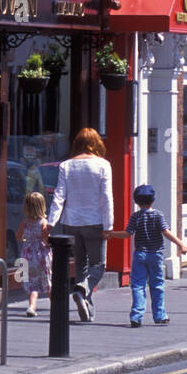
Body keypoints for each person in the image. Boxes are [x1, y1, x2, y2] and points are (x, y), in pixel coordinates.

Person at [47, 127, 112, 321]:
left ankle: (87, 309)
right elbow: (107, 198)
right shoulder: (103, 165)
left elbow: (59, 196)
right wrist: (108, 225)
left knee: (81, 266)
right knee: (99, 265)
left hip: (72, 223)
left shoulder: (66, 166)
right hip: (95, 221)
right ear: (96, 144)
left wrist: (51, 222)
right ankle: (81, 290)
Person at [107, 184, 187, 327]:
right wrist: (181, 244)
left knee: (138, 285)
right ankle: (160, 316)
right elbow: (166, 232)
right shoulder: (158, 215)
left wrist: (111, 234)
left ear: (136, 201)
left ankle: (136, 316)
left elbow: (127, 234)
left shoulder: (135, 217)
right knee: (157, 285)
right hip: (155, 254)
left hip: (140, 254)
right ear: (153, 200)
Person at [16, 191, 51, 316]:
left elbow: (18, 237)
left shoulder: (24, 222)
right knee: (47, 282)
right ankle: (55, 307)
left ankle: (32, 307)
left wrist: (27, 239)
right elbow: (46, 240)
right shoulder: (43, 222)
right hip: (41, 255)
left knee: (32, 284)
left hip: (27, 254)